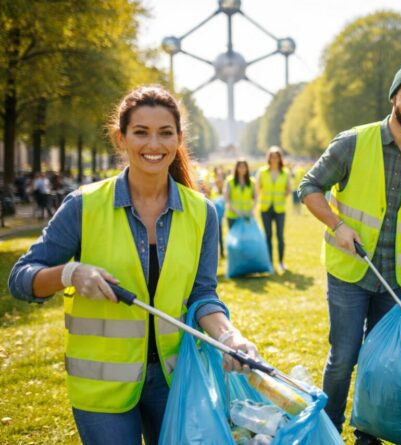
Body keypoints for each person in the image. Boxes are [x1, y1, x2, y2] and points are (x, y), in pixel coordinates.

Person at [7, 85, 259, 445]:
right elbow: (20, 279)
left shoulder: (203, 212)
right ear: (120, 138)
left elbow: (203, 295)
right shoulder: (83, 205)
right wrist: (70, 273)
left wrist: (229, 336)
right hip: (100, 385)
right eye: (141, 132)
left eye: (165, 133)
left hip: (176, 380)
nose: (153, 145)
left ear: (179, 139)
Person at [298, 58, 401, 445]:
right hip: (349, 271)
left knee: (383, 361)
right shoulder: (353, 141)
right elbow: (309, 187)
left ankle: (368, 432)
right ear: (394, 97)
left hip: (396, 278)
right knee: (344, 356)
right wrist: (337, 224)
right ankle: (328, 428)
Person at [255, 146, 291, 272]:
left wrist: (283, 195)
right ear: (268, 158)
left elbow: (288, 189)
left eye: (276, 157)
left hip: (280, 208)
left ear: (279, 158)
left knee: (280, 236)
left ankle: (281, 262)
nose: (274, 159)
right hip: (265, 208)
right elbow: (257, 188)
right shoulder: (262, 172)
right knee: (268, 236)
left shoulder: (285, 173)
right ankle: (269, 262)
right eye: (271, 157)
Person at [224, 159, 256, 230]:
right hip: (233, 216)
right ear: (236, 168)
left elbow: (256, 198)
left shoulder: (252, 182)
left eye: (244, 167)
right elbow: (227, 199)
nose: (242, 169)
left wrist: (252, 210)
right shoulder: (230, 181)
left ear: (247, 168)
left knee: (246, 239)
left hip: (247, 216)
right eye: (240, 166)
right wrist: (235, 211)